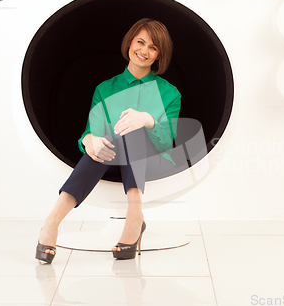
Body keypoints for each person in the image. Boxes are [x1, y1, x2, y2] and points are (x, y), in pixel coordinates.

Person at [35, 18, 181, 263]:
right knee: (108, 140)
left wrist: (148, 120)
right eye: (140, 42)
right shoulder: (105, 88)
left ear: (159, 55)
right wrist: (89, 139)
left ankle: (134, 215)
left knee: (132, 127)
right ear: (130, 44)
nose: (144, 51)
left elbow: (167, 142)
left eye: (153, 47)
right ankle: (52, 222)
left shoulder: (169, 92)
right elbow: (90, 132)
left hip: (152, 161)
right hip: (110, 157)